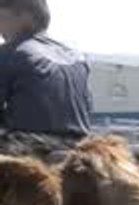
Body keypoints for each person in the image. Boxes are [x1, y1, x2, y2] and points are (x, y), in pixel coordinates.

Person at [0, 0, 92, 158]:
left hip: (30, 146)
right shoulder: (78, 56)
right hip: (79, 145)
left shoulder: (10, 53)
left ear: (25, 16)